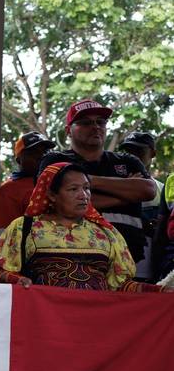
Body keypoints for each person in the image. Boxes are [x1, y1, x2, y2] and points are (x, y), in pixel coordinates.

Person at [0, 162, 169, 292]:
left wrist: (157, 290)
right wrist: (16, 280)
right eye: (73, 189)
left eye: (86, 188)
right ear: (52, 195)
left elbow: (120, 286)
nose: (83, 195)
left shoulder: (105, 232)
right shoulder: (26, 228)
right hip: (43, 323)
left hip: (94, 324)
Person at [38, 99, 156, 268]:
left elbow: (148, 190)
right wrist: (126, 193)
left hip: (127, 259)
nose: (95, 127)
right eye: (85, 123)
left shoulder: (127, 160)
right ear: (68, 131)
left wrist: (87, 181)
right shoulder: (55, 160)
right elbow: (61, 204)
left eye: (100, 122)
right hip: (70, 258)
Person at [117, 131, 162, 280]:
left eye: (139, 151)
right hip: (118, 265)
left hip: (151, 265)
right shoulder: (112, 183)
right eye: (129, 151)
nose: (133, 156)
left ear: (153, 153)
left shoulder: (162, 188)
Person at [0, 131, 56, 233]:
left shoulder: (59, 182)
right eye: (33, 152)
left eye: (45, 152)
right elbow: (3, 235)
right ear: (19, 160)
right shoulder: (9, 190)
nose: (41, 156)